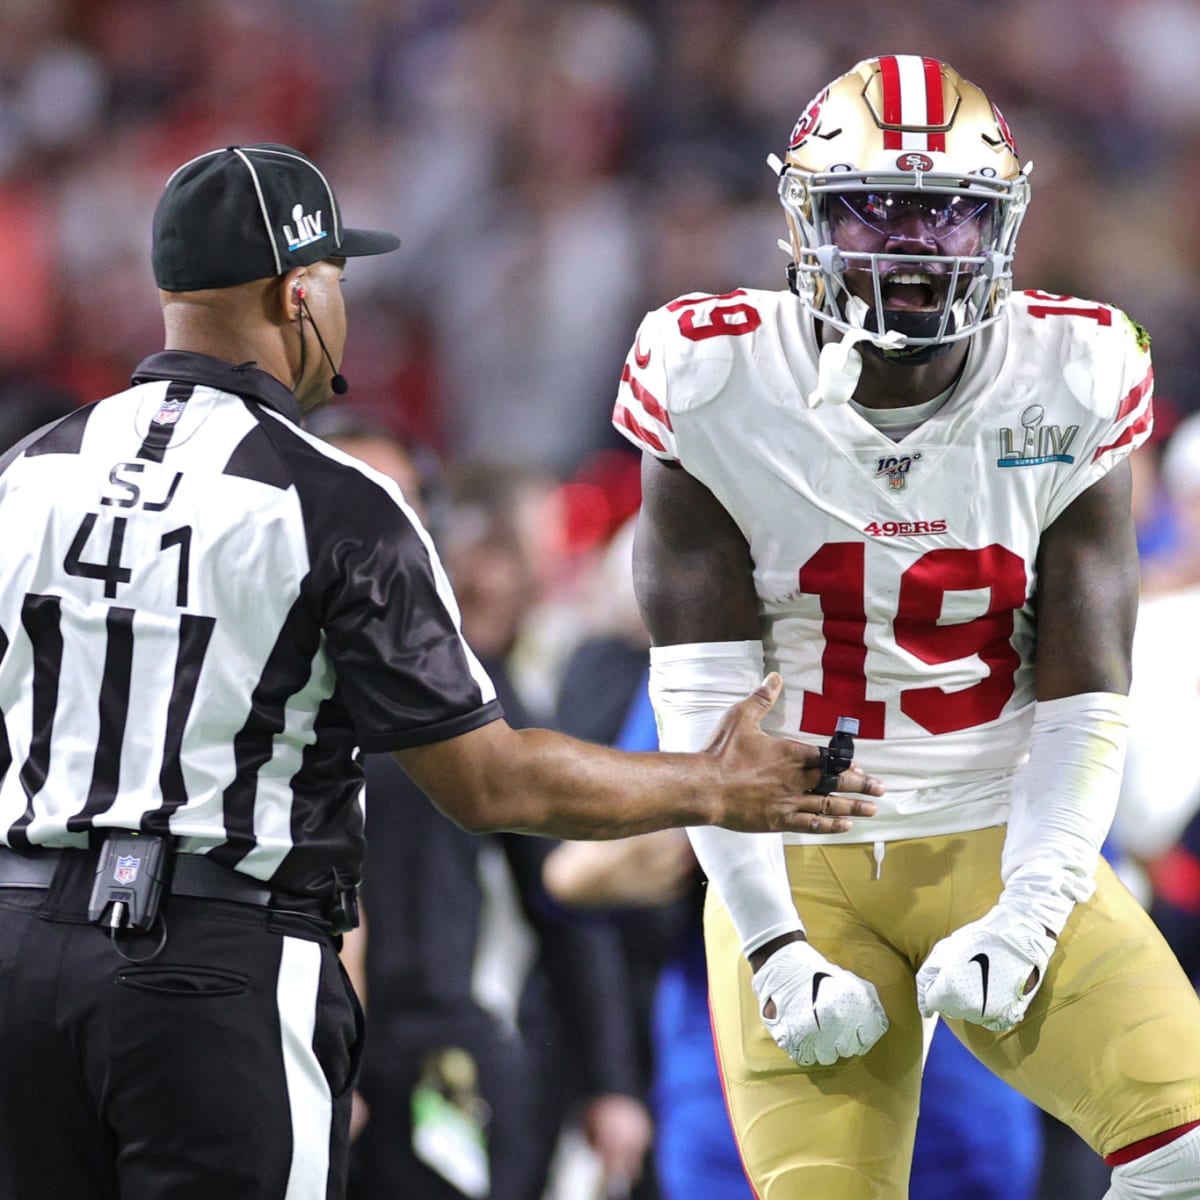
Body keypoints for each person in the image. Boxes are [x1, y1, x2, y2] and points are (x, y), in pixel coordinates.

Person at [0, 142, 884, 1200]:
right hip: (210, 966)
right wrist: (716, 783)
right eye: (337, 279)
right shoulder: (335, 502)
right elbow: (491, 783)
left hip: (18, 953)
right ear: (298, 291)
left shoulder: (31, 469)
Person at [613, 57, 1200, 1199]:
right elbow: (704, 716)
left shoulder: (1071, 370)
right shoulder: (712, 372)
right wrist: (775, 948)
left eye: (946, 210)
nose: (913, 244)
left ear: (1002, 223)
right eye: (872, 208)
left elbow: (1087, 694)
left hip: (1001, 829)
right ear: (801, 220)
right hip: (795, 858)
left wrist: (1031, 913)